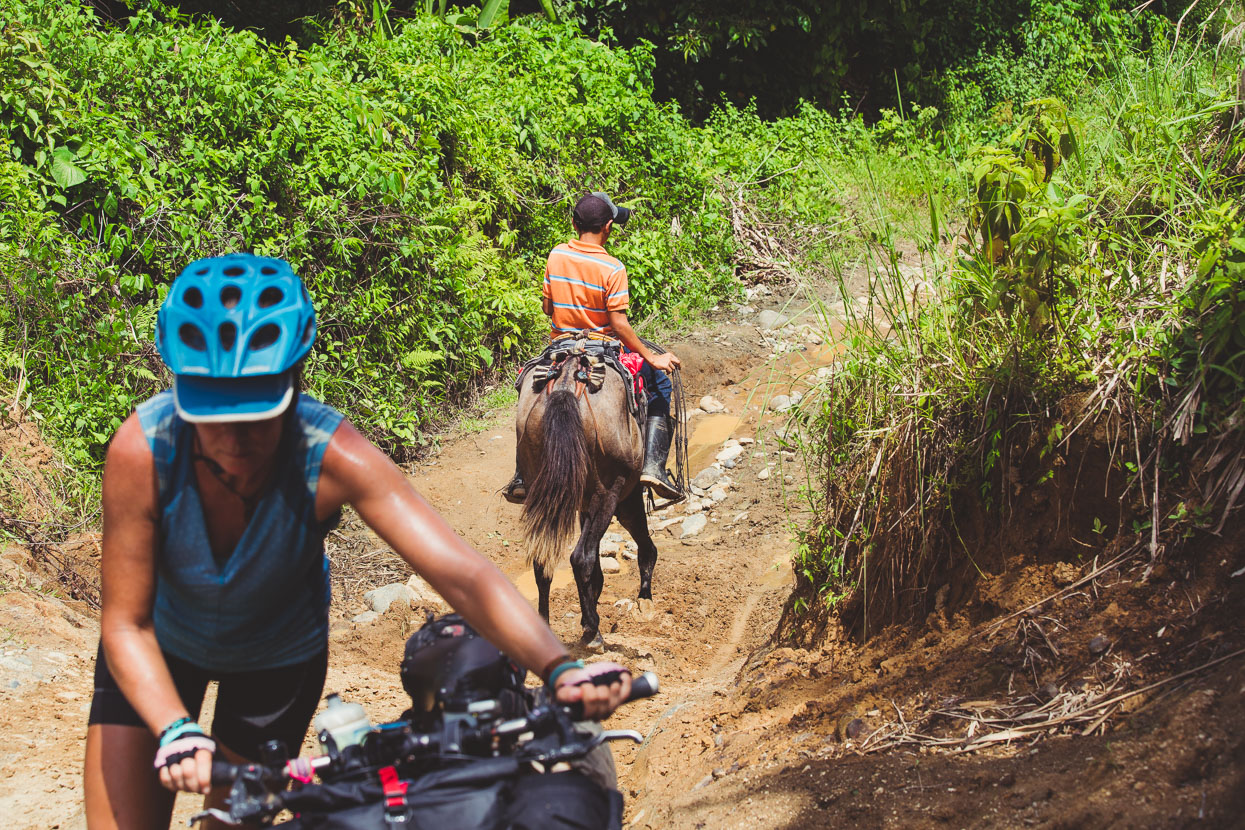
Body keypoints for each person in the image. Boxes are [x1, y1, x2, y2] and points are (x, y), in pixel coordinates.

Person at [83, 253, 632, 830]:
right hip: (158, 649)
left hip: (275, 657)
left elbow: (461, 574)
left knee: (233, 821)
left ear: (295, 386)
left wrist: (558, 667)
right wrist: (174, 727)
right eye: (215, 416)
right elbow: (125, 624)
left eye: (258, 415)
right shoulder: (142, 450)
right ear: (181, 392)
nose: (235, 442)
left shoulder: (330, 452)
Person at [504, 192, 684, 504]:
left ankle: (522, 473)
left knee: (527, 388)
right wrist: (652, 357)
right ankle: (654, 466)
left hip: (559, 346)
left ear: (574, 223)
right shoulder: (613, 268)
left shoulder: (556, 255)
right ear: (609, 227)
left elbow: (548, 307)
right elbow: (618, 324)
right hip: (600, 348)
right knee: (661, 383)